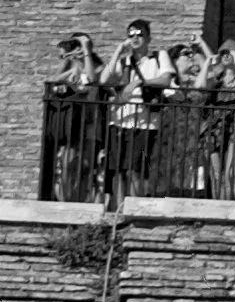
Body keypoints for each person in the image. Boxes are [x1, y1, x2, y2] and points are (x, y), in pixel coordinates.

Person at [100, 19, 177, 208]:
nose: (135, 38)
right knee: (117, 169)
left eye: (139, 34)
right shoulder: (124, 61)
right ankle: (119, 209)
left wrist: (139, 83)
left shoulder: (159, 56)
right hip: (119, 121)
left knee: (135, 169)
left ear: (148, 37)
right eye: (131, 35)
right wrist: (118, 52)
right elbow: (104, 80)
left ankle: (134, 207)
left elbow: (166, 80)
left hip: (145, 123)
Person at [196, 38, 235, 202]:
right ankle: (218, 209)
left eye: (229, 52)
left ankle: (231, 210)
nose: (225, 55)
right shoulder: (217, 78)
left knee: (232, 173)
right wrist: (208, 63)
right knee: (216, 173)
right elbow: (200, 86)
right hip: (215, 125)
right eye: (223, 52)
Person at [47, 33, 104, 203]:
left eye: (79, 45)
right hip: (71, 123)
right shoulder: (70, 67)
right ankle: (66, 200)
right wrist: (67, 60)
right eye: (75, 45)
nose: (77, 50)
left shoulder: (98, 65)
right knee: (66, 164)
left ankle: (83, 200)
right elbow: (51, 83)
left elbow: (91, 79)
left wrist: (86, 50)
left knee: (86, 165)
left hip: (90, 123)